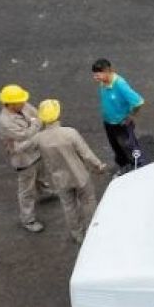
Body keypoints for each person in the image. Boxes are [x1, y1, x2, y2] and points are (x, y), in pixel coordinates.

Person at [32, 99, 109, 244]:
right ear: (58, 114)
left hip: (59, 179)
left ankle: (77, 234)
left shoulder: (39, 138)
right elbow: (86, 154)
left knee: (69, 206)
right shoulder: (69, 133)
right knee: (88, 202)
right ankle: (92, 232)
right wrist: (98, 166)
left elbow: (30, 149)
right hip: (80, 175)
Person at [0, 84, 48, 234]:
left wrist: (34, 124)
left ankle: (46, 192)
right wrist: (36, 124)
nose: (24, 103)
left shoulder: (23, 105)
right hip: (23, 159)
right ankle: (28, 219)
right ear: (10, 104)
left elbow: (36, 117)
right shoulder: (5, 121)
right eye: (20, 101)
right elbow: (24, 135)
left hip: (35, 150)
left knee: (40, 174)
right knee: (26, 190)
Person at [92, 58, 147, 171]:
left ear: (108, 71)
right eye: (95, 74)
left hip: (121, 123)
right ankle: (125, 166)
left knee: (129, 146)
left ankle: (139, 166)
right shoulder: (103, 82)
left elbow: (138, 101)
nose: (95, 77)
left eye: (98, 74)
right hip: (109, 122)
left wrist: (130, 116)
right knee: (116, 146)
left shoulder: (120, 85)